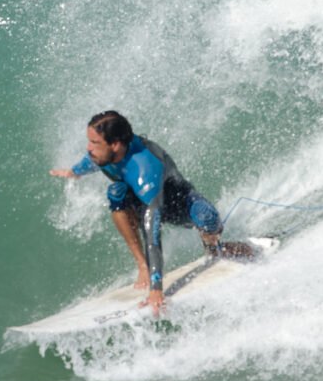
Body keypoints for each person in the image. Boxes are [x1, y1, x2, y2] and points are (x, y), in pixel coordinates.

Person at [49, 110, 227, 315]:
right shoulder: (105, 153)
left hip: (177, 203)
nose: (89, 148)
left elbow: (153, 236)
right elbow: (91, 161)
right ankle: (141, 264)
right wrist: (73, 172)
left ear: (115, 144)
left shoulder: (145, 171)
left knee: (207, 217)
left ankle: (214, 248)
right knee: (116, 192)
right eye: (89, 141)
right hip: (140, 201)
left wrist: (156, 288)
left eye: (95, 143)